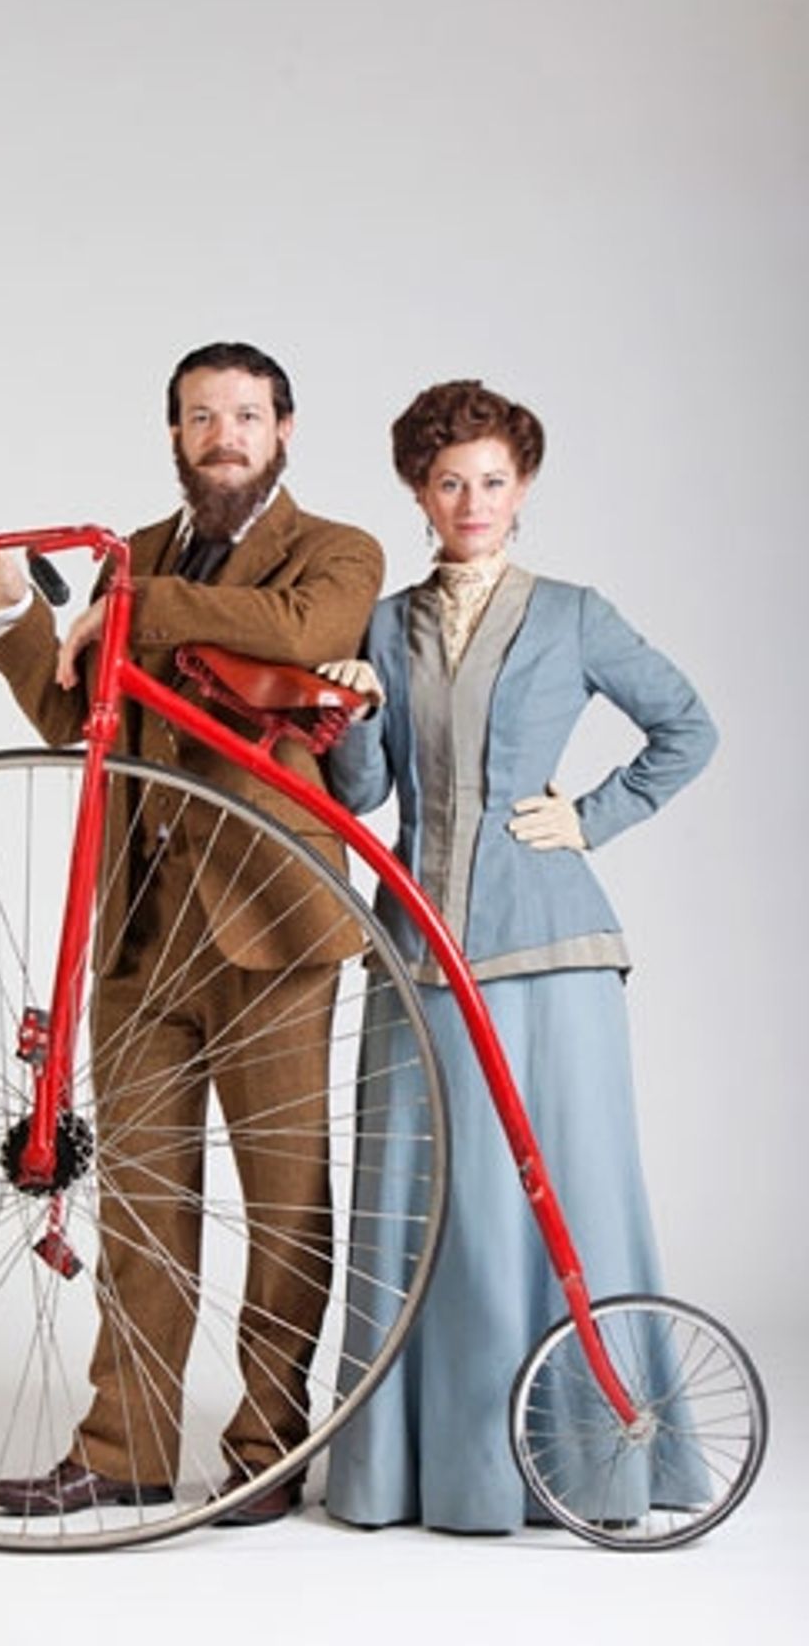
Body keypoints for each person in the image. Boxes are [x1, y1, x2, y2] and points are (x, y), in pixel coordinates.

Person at [0, 341, 384, 1525]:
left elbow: (298, 633)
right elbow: (67, 713)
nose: (226, 434)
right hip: (141, 934)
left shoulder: (336, 551)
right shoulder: (135, 556)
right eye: (202, 417)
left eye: (247, 414)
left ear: (285, 431)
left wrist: (124, 606)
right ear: (176, 437)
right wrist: (16, 617)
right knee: (144, 1208)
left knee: (286, 1204)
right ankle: (126, 1448)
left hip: (274, 929)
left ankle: (266, 1446)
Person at [318, 379, 717, 1534]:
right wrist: (348, 717)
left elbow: (689, 727)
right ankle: (419, 1474)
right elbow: (365, 794)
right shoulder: (383, 623)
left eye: (493, 481)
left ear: (523, 488)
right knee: (421, 1202)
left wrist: (590, 816)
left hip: (553, 947)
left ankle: (594, 1463)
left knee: (572, 1199)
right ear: (418, 492)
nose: (472, 500)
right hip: (416, 946)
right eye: (450, 482)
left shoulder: (576, 612)